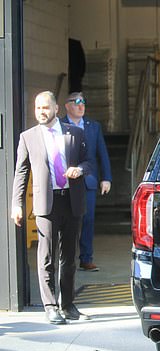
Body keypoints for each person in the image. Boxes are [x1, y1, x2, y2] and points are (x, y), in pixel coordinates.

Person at [11, 91, 91, 324]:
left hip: (71, 199)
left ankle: (68, 305)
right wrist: (16, 203)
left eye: (45, 107)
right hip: (46, 203)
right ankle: (50, 306)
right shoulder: (28, 137)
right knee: (46, 255)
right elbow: (21, 172)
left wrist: (80, 170)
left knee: (69, 256)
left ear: (56, 109)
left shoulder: (74, 133)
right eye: (37, 108)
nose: (41, 112)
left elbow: (88, 161)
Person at [62, 92, 112, 272]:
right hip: (65, 179)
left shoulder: (93, 126)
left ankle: (86, 258)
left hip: (88, 179)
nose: (81, 105)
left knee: (88, 219)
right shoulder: (59, 125)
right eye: (76, 102)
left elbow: (102, 153)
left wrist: (106, 178)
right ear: (67, 106)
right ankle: (66, 258)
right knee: (68, 220)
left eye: (83, 102)